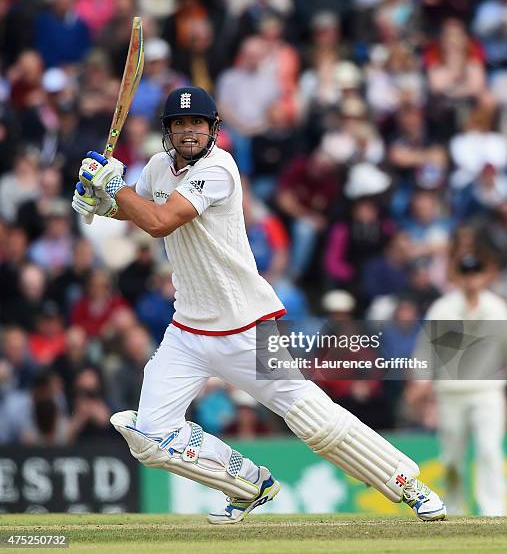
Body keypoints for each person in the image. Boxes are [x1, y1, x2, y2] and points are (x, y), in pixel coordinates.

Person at [71, 86, 446, 523]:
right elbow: (137, 206)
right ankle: (249, 484)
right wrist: (101, 200)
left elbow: (158, 221)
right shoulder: (158, 167)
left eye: (197, 124)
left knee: (313, 421)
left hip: (244, 326)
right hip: (188, 331)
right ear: (168, 131)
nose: (189, 132)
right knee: (151, 437)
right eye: (180, 124)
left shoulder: (219, 168)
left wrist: (115, 189)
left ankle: (409, 485)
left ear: (213, 129)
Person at [409, 254, 506, 516]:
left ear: (484, 276)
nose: (471, 279)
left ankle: (493, 511)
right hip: (451, 393)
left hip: (488, 391)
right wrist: (421, 387)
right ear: (458, 276)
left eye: (476, 273)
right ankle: (453, 508)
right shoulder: (443, 309)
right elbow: (424, 351)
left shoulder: (497, 309)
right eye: (466, 273)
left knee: (489, 450)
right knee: (452, 459)